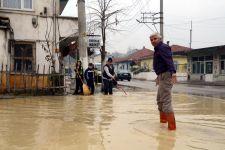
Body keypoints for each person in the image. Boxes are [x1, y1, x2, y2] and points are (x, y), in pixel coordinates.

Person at [150, 33, 177, 130]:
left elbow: (169, 60)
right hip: (161, 75)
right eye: (151, 39)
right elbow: (160, 64)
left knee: (166, 101)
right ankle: (163, 123)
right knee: (159, 100)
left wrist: (173, 73)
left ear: (160, 39)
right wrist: (158, 77)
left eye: (155, 38)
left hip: (166, 75)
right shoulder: (157, 49)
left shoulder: (163, 47)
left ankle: (172, 129)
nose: (153, 41)